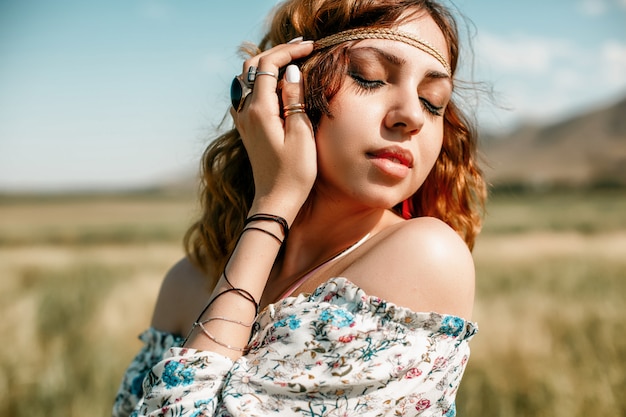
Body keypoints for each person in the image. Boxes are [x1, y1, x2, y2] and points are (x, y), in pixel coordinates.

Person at [112, 0, 486, 415]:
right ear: (284, 89)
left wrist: (273, 205)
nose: (412, 115)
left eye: (433, 101)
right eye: (371, 77)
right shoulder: (188, 281)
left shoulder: (425, 256)